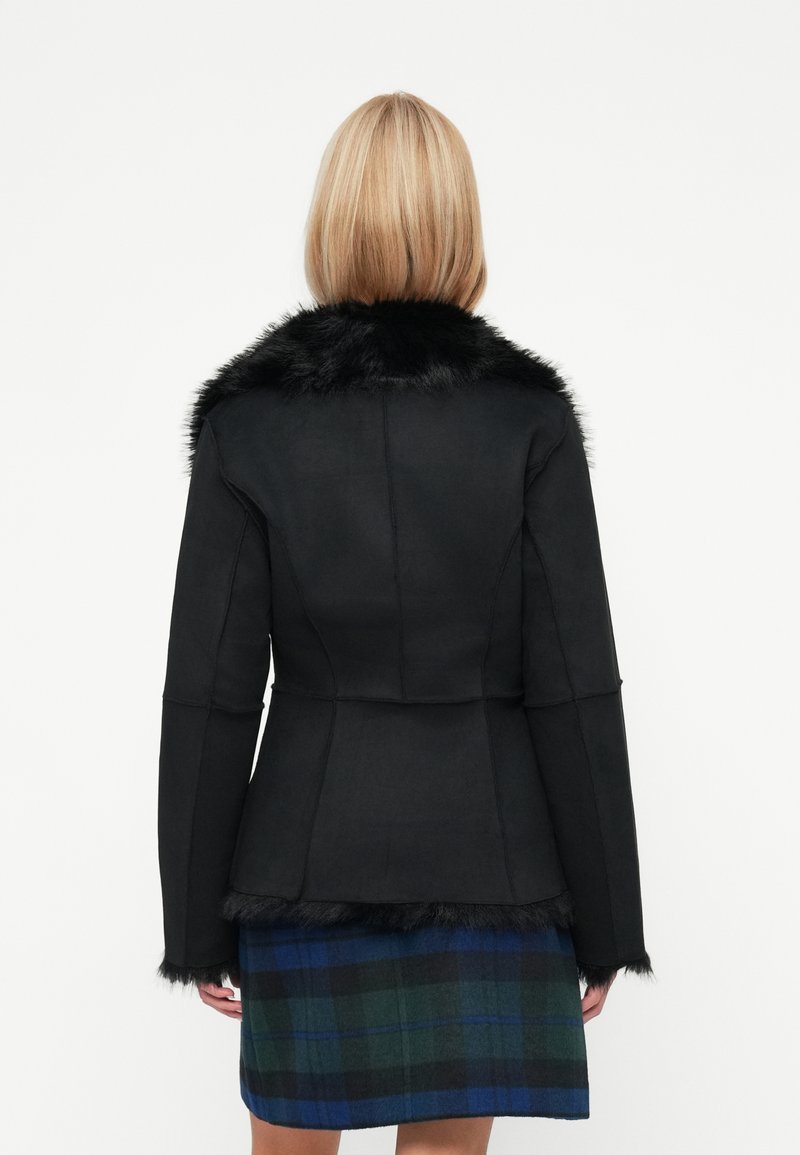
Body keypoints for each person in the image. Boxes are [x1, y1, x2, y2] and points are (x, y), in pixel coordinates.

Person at [155, 91, 653, 1154]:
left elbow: (210, 692)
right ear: (460, 225)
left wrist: (194, 924)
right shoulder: (527, 420)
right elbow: (574, 683)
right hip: (491, 870)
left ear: (331, 222)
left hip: (302, 868)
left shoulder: (250, 423)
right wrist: (608, 920)